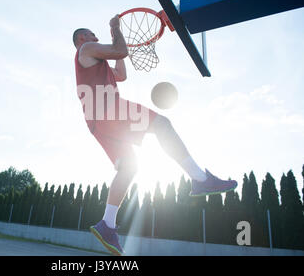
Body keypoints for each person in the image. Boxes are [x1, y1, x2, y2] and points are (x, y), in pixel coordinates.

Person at [73, 14, 237, 256]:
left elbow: (122, 72)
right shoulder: (86, 49)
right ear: (82, 38)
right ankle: (200, 179)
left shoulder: (95, 61)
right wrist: (115, 29)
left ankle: (107, 224)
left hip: (97, 123)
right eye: (91, 33)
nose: (95, 37)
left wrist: (115, 40)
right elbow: (120, 51)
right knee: (162, 125)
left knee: (128, 168)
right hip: (107, 110)